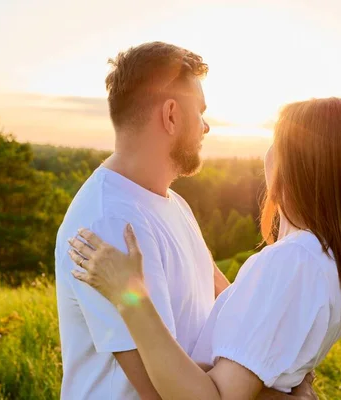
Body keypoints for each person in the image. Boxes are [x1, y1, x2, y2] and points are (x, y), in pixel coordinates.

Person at [68, 97, 341, 399]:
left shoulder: (293, 261)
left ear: (300, 163)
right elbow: (249, 318)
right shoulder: (326, 260)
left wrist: (130, 296)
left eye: (277, 142)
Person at [55, 41, 316, 399]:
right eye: (201, 112)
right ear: (172, 115)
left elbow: (229, 301)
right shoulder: (111, 223)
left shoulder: (172, 203)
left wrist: (287, 364)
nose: (206, 127)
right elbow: (156, 388)